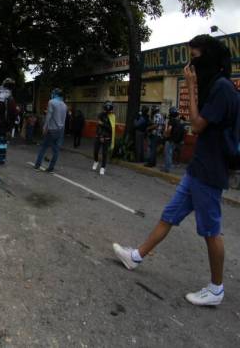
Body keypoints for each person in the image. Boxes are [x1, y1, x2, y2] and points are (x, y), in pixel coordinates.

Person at [113, 35, 238, 306]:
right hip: (197, 168)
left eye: (195, 57)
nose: (191, 64)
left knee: (210, 230)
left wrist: (191, 86)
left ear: (208, 58)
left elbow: (197, 124)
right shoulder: (216, 86)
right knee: (169, 216)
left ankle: (216, 289)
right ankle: (135, 257)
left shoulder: (223, 89)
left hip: (209, 171)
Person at [34, 88, 68, 173]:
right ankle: (51, 168)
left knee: (43, 147)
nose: (51, 94)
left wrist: (45, 127)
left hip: (51, 129)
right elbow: (64, 120)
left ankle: (37, 165)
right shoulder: (64, 105)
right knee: (56, 150)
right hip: (60, 130)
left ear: (55, 94)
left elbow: (48, 116)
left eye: (52, 93)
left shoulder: (51, 102)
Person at [92, 101, 115, 175]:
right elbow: (99, 126)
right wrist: (101, 136)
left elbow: (111, 128)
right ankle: (96, 161)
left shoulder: (112, 117)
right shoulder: (100, 115)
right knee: (95, 151)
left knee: (104, 154)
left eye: (109, 109)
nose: (108, 111)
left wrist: (103, 124)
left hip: (107, 137)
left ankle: (103, 167)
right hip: (99, 136)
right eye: (106, 109)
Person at [163, 107, 185, 173]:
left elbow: (169, 129)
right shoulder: (178, 121)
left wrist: (166, 135)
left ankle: (167, 168)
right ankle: (169, 166)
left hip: (170, 139)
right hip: (175, 140)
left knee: (168, 154)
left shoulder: (171, 120)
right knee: (170, 153)